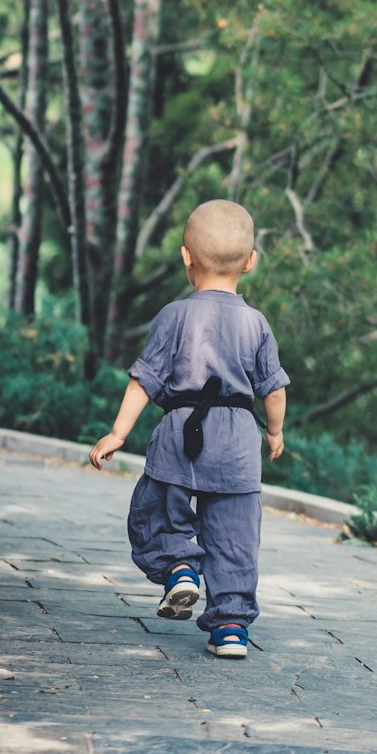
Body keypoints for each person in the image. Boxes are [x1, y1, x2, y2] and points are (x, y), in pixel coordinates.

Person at [88, 199, 289, 659]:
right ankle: (232, 629)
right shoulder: (257, 323)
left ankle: (180, 567)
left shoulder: (174, 316)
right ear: (251, 261)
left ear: (186, 257)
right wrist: (274, 433)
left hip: (180, 433)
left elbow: (144, 380)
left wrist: (119, 433)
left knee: (156, 511)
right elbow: (273, 390)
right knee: (235, 537)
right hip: (238, 441)